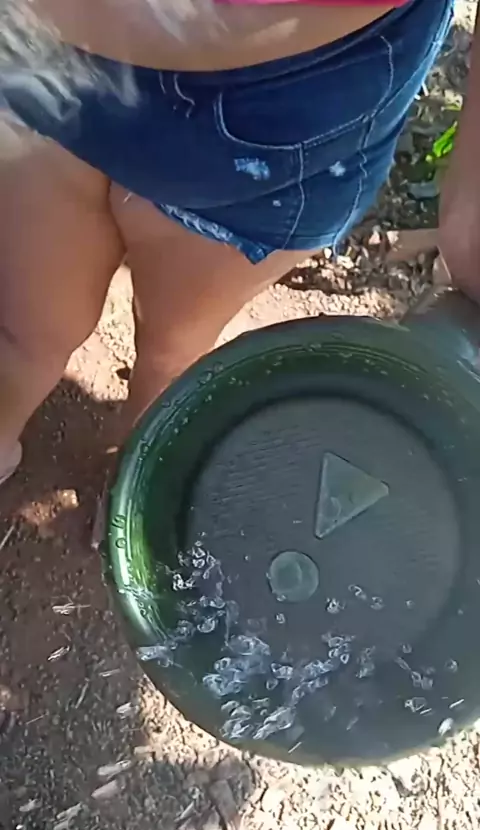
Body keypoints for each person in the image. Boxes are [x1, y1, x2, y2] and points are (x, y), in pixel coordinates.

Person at [0, 0, 472, 490]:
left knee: (136, 347)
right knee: (69, 337)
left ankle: (131, 478)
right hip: (276, 117)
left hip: (270, 113)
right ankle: (127, 481)